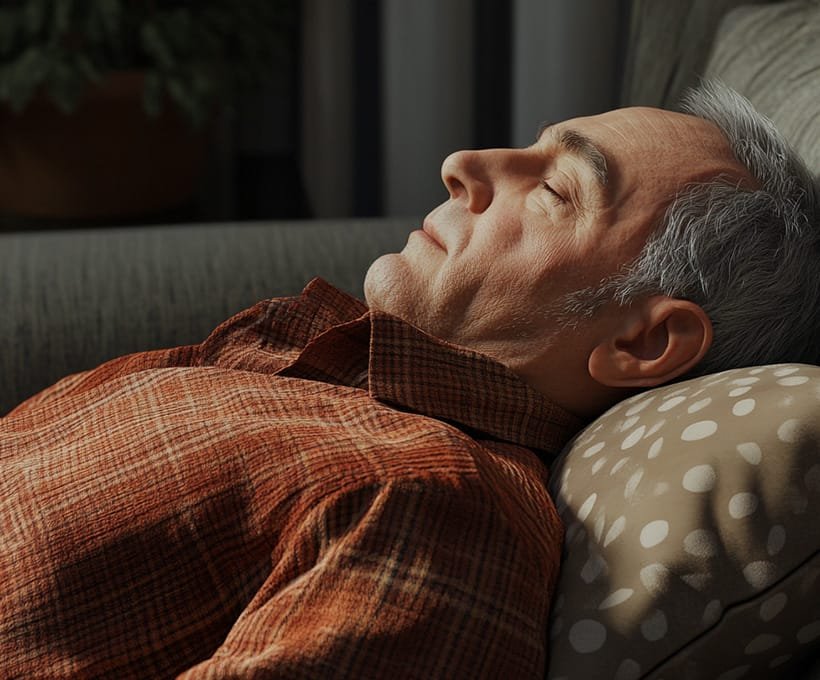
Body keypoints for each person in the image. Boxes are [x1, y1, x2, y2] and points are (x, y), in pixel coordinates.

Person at [0, 81, 817, 679]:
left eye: (558, 188)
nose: (463, 163)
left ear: (643, 343)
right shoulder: (319, 375)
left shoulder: (429, 511)